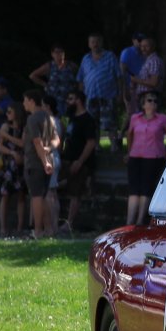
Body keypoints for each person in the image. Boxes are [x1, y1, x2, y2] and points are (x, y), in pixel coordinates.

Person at [123, 91, 166, 226]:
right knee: (133, 189)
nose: (153, 103)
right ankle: (129, 222)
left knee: (146, 189)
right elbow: (130, 135)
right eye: (149, 100)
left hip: (153, 157)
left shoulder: (162, 119)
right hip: (135, 155)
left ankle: (140, 222)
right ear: (143, 104)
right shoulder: (135, 118)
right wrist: (129, 152)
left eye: (155, 101)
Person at [59, 88, 99, 235]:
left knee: (76, 193)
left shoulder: (87, 119)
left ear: (79, 101)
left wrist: (80, 161)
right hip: (67, 159)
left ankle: (69, 224)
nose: (67, 102)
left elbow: (91, 143)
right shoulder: (71, 118)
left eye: (71, 99)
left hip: (80, 162)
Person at [21, 89, 59, 238]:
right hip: (48, 161)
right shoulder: (49, 117)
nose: (23, 104)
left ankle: (37, 231)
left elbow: (37, 142)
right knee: (43, 196)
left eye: (25, 100)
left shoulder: (32, 119)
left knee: (36, 196)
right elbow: (57, 139)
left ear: (31, 101)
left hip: (36, 163)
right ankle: (48, 230)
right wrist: (49, 149)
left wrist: (44, 161)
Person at [78, 33, 123, 149]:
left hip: (108, 96)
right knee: (92, 124)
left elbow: (118, 76)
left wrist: (120, 93)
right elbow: (80, 78)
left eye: (97, 41)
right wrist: (81, 96)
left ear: (102, 43)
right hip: (90, 97)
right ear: (89, 44)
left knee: (111, 123)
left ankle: (114, 146)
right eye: (92, 42)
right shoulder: (85, 59)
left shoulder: (110, 56)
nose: (95, 44)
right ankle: (96, 146)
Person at [0, 103, 27, 238]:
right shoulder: (5, 127)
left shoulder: (24, 127)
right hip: (8, 164)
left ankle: (20, 227)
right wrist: (12, 153)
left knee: (21, 196)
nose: (7, 114)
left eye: (10, 112)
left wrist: (6, 136)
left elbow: (22, 143)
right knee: (5, 195)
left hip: (21, 164)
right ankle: (3, 228)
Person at [29, 45, 79, 110]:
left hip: (68, 100)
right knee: (55, 115)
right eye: (56, 52)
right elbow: (32, 75)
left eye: (61, 52)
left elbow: (80, 77)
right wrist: (45, 84)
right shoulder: (49, 66)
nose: (59, 54)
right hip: (54, 100)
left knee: (67, 115)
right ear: (52, 54)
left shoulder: (71, 65)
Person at [128, 36, 162, 112]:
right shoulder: (147, 60)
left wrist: (136, 80)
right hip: (143, 97)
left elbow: (154, 82)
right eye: (141, 46)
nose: (143, 48)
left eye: (146, 46)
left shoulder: (154, 60)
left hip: (150, 97)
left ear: (153, 47)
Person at [119, 32, 145, 111]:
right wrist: (125, 90)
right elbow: (122, 71)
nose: (141, 42)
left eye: (143, 40)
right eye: (139, 40)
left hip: (143, 87)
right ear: (133, 40)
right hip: (131, 88)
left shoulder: (145, 53)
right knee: (132, 112)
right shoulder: (127, 52)